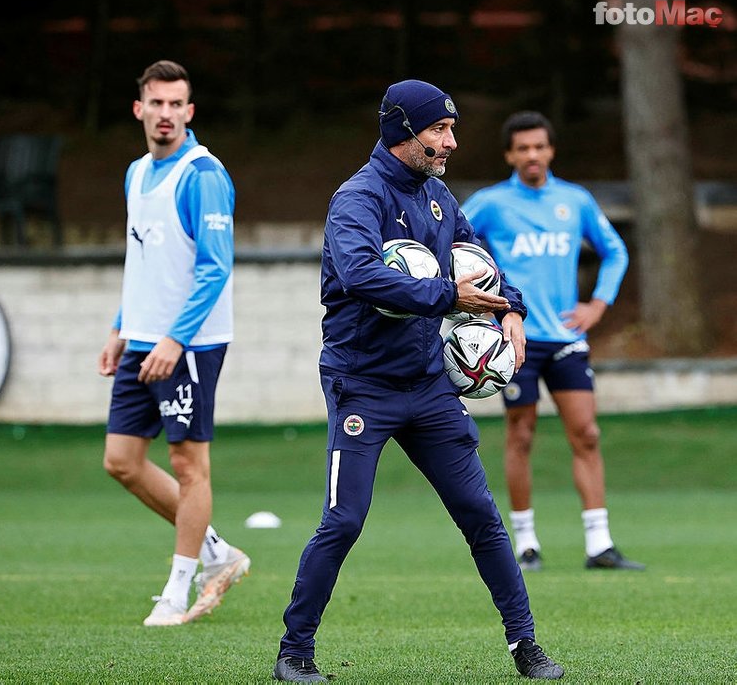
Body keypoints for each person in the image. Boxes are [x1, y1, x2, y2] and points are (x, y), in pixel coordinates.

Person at [272, 81, 564, 682]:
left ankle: (526, 647)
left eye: (451, 130)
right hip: (362, 384)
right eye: (439, 130)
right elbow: (358, 275)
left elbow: (477, 262)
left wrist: (510, 308)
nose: (450, 142)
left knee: (480, 514)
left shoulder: (437, 197)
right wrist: (442, 295)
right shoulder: (357, 199)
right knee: (345, 519)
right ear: (403, 130)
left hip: (428, 385)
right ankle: (294, 653)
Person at [98, 60, 250, 626]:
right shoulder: (136, 172)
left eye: (175, 104)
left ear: (190, 111)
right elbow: (144, 262)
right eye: (155, 104)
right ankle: (218, 554)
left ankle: (178, 590)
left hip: (191, 344)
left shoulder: (203, 175)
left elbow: (215, 270)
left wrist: (174, 339)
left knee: (188, 465)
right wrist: (121, 328)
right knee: (121, 461)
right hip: (143, 338)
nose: (165, 114)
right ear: (140, 108)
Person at [462, 110, 645, 572]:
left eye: (539, 146)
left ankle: (599, 544)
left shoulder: (575, 201)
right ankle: (525, 544)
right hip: (514, 338)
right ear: (509, 154)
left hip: (565, 338)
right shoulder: (490, 204)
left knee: (586, 433)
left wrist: (598, 305)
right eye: (522, 148)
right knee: (521, 435)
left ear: (551, 150)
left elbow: (615, 251)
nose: (532, 155)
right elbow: (452, 246)